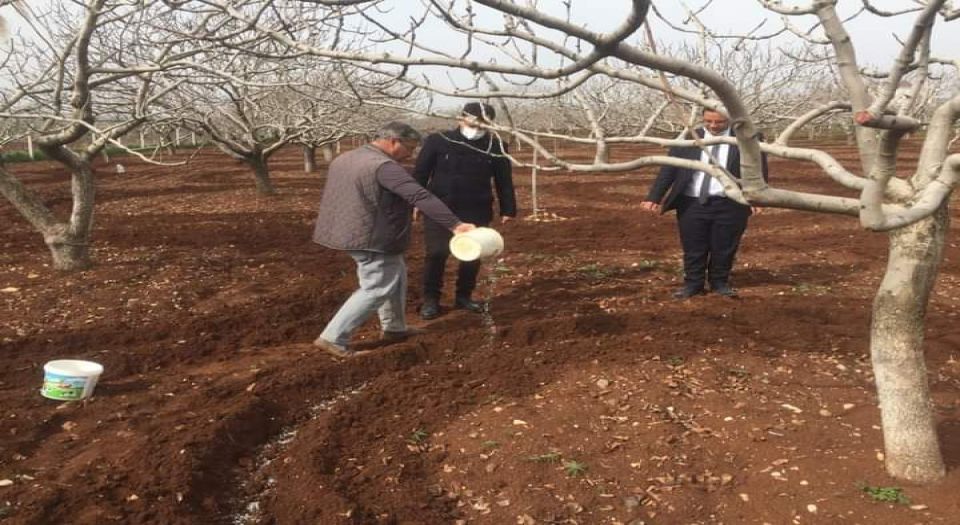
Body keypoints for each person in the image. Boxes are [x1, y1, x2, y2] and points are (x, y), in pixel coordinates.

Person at [312, 121, 476, 359]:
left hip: (345, 229)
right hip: (371, 235)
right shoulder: (384, 166)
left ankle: (394, 328)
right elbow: (420, 195)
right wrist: (455, 224)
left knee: (396, 275)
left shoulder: (347, 158)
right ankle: (333, 337)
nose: (411, 153)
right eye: (409, 147)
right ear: (393, 141)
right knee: (377, 286)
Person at [640, 108, 768, 299]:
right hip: (692, 204)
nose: (713, 126)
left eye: (719, 122)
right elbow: (669, 169)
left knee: (724, 246)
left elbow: (758, 169)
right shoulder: (688, 140)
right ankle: (693, 283)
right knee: (693, 246)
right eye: (708, 121)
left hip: (731, 203)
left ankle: (719, 282)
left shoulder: (745, 140)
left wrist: (757, 197)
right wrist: (654, 197)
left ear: (730, 120)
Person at [413, 102, 517, 319]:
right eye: (474, 120)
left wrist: (508, 208)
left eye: (484, 122)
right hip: (440, 205)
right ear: (461, 118)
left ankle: (464, 296)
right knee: (436, 253)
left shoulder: (496, 145)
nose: (478, 126)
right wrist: (416, 201)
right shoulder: (438, 141)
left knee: (472, 253)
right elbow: (421, 173)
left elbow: (504, 180)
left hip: (477, 205)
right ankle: (431, 298)